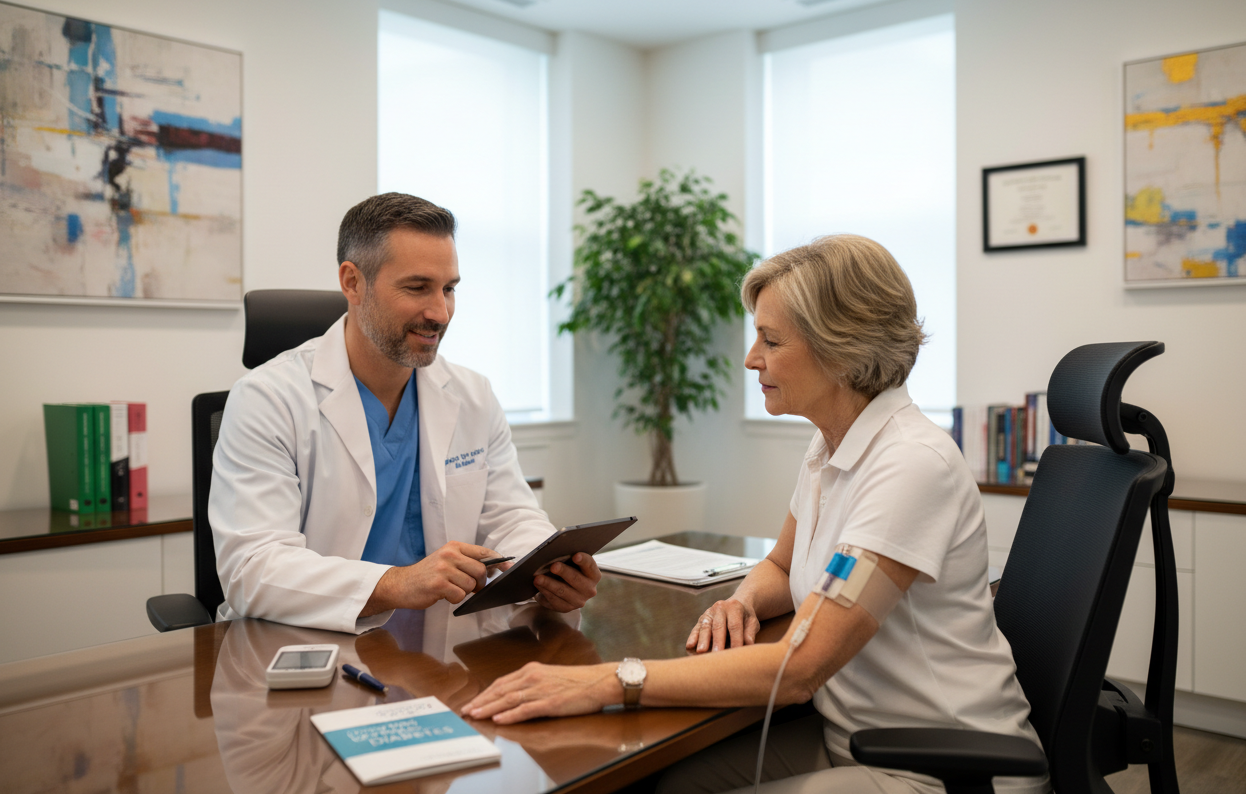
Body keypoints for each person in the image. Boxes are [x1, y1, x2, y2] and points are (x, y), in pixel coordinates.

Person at [461, 235, 1049, 794]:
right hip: (853, 736)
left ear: (840, 348)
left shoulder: (910, 465)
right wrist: (741, 602)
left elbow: (800, 669)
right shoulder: (831, 446)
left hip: (938, 767)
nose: (750, 359)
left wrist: (606, 680)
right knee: (675, 783)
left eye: (771, 340)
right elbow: (781, 565)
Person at [210, 193, 601, 634]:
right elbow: (252, 569)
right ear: (353, 283)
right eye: (417, 288)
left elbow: (511, 517)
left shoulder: (472, 395)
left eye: (449, 288)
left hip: (442, 644)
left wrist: (547, 570)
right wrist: (396, 583)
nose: (440, 313)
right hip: (304, 643)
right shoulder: (268, 400)